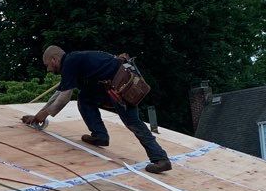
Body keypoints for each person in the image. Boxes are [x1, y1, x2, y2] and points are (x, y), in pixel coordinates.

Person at [21, 45, 171, 173]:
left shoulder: (70, 63)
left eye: (47, 64)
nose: (48, 69)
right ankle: (100, 136)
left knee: (133, 122)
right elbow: (60, 92)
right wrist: (38, 115)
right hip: (115, 84)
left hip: (121, 86)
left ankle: (160, 159)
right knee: (85, 99)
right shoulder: (73, 61)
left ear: (54, 59)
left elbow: (64, 98)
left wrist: (43, 115)